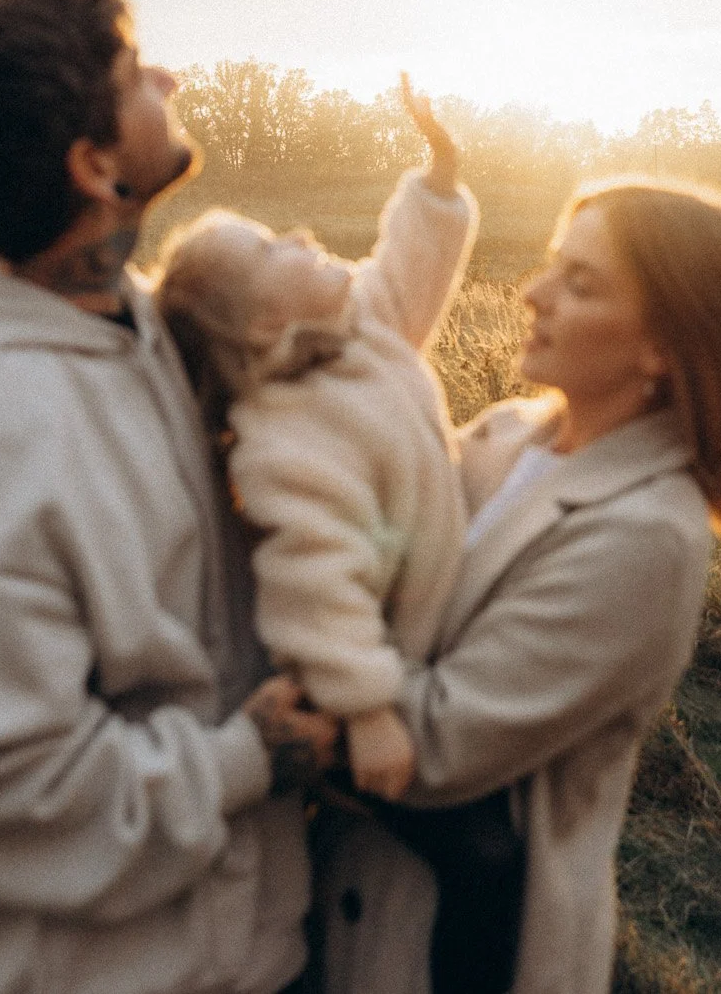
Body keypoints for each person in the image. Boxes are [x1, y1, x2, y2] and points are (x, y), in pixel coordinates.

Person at [0, 0, 339, 994]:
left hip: (239, 947)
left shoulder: (135, 325)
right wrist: (244, 763)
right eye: (131, 77)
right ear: (95, 167)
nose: (164, 76)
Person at [316, 177, 721, 994]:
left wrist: (261, 686)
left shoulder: (648, 534)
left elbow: (433, 744)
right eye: (551, 267)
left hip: (461, 947)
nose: (533, 294)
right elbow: (371, 538)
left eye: (581, 284)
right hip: (340, 907)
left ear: (661, 346)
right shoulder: (506, 435)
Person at [153, 82, 520, 992]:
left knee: (404, 856)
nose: (305, 237)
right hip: (346, 691)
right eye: (275, 248)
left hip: (408, 655)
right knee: (485, 859)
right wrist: (366, 710)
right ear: (266, 325)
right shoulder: (285, 433)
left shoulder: (359, 334)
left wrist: (439, 175)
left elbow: (408, 268)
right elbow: (312, 580)